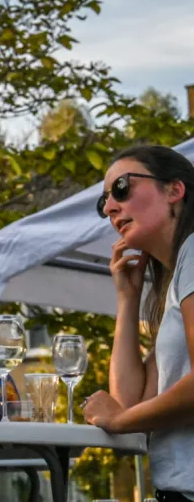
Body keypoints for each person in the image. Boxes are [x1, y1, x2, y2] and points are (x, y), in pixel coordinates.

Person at [83, 145, 194, 501]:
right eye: (104, 202)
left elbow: (121, 416)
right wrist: (128, 300)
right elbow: (128, 401)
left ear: (174, 190)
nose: (110, 207)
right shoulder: (179, 278)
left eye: (121, 188)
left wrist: (118, 422)